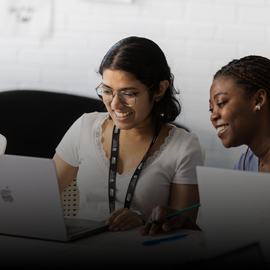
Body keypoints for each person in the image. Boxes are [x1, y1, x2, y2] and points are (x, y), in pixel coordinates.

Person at [53, 36, 203, 233]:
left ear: (159, 89)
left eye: (128, 94)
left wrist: (142, 219)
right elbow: (41, 195)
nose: (115, 104)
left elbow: (184, 229)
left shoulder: (184, 146)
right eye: (107, 91)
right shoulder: (85, 127)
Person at [209, 55, 270, 172]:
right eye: (211, 109)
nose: (213, 116)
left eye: (221, 103)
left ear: (259, 99)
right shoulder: (244, 164)